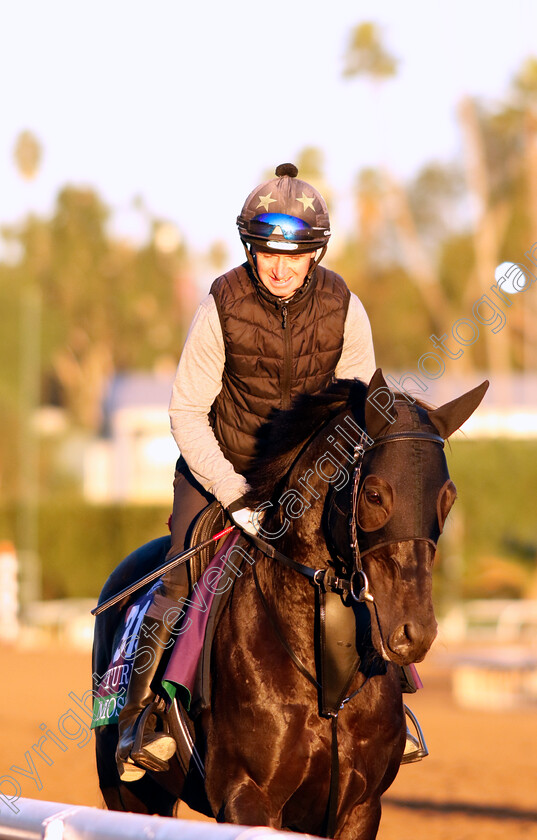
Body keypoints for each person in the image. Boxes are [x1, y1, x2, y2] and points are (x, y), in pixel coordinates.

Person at [116, 163, 378, 781]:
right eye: (268, 253)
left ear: (315, 254)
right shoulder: (221, 303)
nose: (280, 268)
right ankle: (140, 720)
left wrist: (322, 482)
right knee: (180, 578)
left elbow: (361, 404)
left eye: (295, 255)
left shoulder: (345, 306)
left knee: (368, 563)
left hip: (309, 481)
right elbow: (185, 410)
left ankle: (393, 710)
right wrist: (235, 496)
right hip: (218, 470)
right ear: (250, 249)